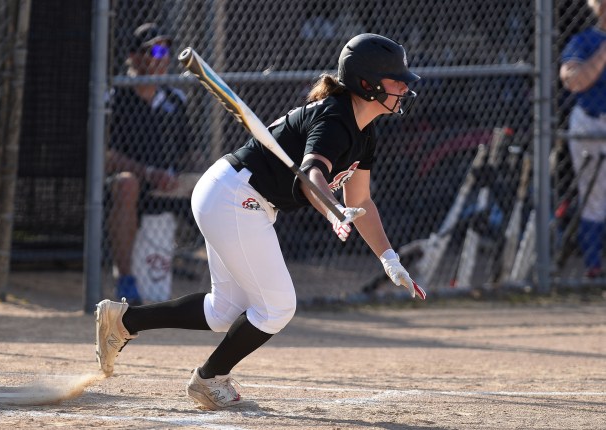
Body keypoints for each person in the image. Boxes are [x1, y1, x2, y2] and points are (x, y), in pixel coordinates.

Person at [95, 33, 426, 410]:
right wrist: (331, 209)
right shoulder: (335, 118)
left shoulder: (364, 132)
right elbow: (312, 174)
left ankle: (123, 320)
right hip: (235, 196)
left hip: (234, 195)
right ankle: (209, 379)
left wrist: (389, 259)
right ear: (368, 85)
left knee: (224, 311)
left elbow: (362, 199)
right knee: (278, 306)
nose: (404, 86)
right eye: (396, 79)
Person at [106, 22, 190, 303]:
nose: (163, 56)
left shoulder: (175, 99)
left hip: (167, 182)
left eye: (166, 50)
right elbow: (105, 156)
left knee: (220, 185)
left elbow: (187, 153)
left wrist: (178, 176)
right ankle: (126, 279)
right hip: (128, 180)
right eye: (155, 49)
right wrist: (148, 172)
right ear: (135, 56)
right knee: (127, 184)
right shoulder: (116, 97)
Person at [560, 0, 606, 278]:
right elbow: (574, 80)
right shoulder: (586, 40)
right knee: (594, 197)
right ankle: (593, 267)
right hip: (590, 122)